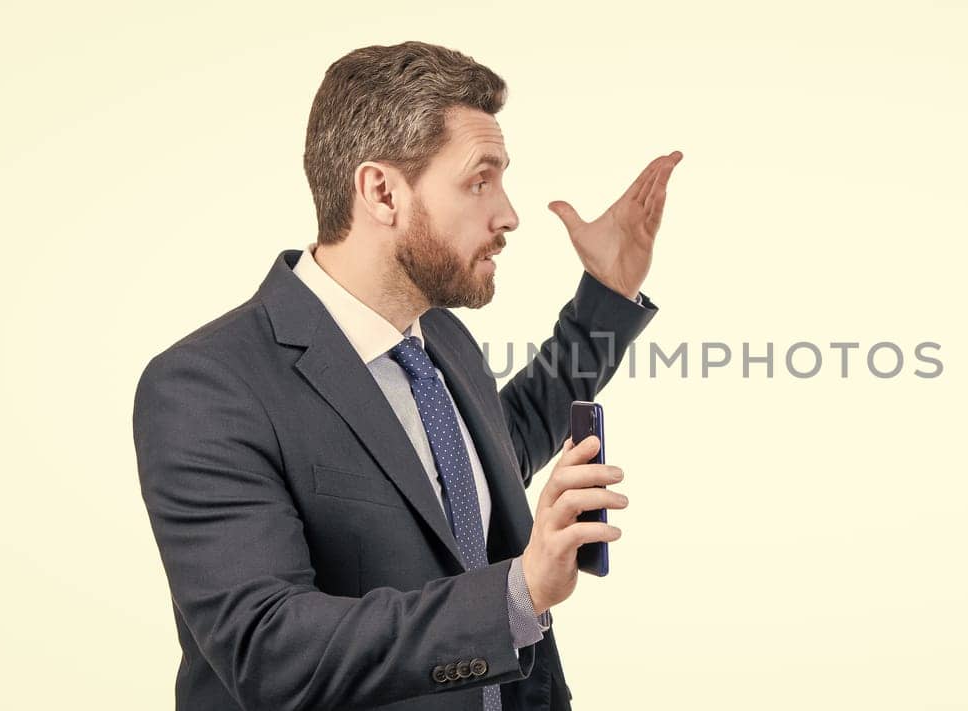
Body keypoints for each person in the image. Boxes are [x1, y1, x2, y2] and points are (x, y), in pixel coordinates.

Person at [132, 40, 682, 711]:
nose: (508, 213)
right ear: (382, 191)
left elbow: (496, 451)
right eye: (479, 180)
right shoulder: (206, 388)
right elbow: (269, 648)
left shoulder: (439, 338)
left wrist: (607, 291)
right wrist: (519, 590)